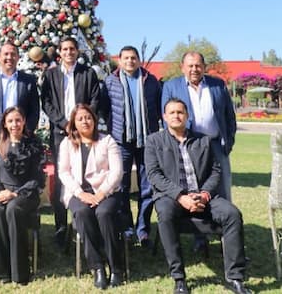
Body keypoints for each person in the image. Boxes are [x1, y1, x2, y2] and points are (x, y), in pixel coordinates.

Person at [145, 98, 251, 294]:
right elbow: (154, 175)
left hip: (203, 196)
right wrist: (180, 196)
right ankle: (179, 278)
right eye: (172, 113)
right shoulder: (154, 141)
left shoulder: (203, 140)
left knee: (232, 214)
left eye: (180, 112)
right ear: (164, 117)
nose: (176, 116)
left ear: (187, 116)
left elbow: (215, 171)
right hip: (172, 197)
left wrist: (204, 194)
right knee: (165, 213)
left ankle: (235, 277)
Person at [160, 51, 237, 256]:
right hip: (189, 145)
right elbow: (166, 118)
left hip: (215, 145)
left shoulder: (217, 85)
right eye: (190, 65)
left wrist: (228, 142)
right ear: (182, 67)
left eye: (198, 65)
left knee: (221, 191)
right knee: (194, 188)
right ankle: (200, 238)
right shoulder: (171, 86)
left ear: (204, 67)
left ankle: (225, 237)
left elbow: (229, 116)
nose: (194, 69)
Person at [40, 36, 101, 249]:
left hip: (84, 132)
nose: (69, 52)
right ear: (60, 52)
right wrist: (64, 123)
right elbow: (46, 102)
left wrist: (82, 122)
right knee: (61, 178)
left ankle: (85, 220)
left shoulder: (88, 73)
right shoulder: (51, 75)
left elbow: (95, 99)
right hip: (61, 132)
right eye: (65, 49)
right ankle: (60, 227)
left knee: (86, 173)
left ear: (77, 51)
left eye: (72, 49)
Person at [102, 45, 162, 247]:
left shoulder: (150, 81)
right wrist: (114, 128)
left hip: (147, 141)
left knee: (148, 187)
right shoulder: (111, 82)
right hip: (122, 142)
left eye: (133, 58)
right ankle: (126, 229)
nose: (130, 61)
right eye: (126, 58)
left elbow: (159, 107)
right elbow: (104, 109)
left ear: (138, 60)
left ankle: (143, 229)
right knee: (122, 186)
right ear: (119, 61)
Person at [58, 103, 123, 289]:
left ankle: (116, 267)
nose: (85, 121)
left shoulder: (107, 140)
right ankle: (98, 267)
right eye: (80, 119)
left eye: (88, 117)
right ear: (74, 123)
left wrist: (101, 193)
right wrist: (80, 194)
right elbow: (64, 173)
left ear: (94, 120)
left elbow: (117, 172)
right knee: (83, 213)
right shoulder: (67, 144)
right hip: (78, 193)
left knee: (104, 214)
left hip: (107, 192)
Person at [0, 107, 45, 285]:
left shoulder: (33, 145)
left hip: (25, 193)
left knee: (13, 209)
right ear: (4, 123)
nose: (14, 125)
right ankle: (2, 269)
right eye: (10, 121)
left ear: (24, 121)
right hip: (1, 191)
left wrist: (15, 193)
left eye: (18, 120)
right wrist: (0, 192)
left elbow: (36, 178)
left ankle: (20, 272)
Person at [0, 42, 40, 180]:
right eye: (6, 54)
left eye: (13, 54)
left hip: (21, 141)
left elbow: (35, 111)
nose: (9, 57)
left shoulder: (28, 81)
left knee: (19, 180)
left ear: (18, 57)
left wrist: (23, 133)